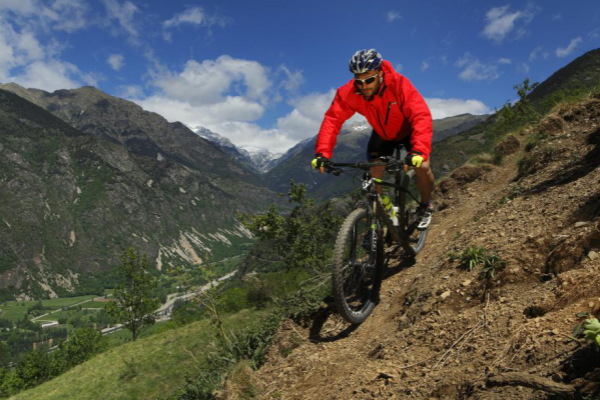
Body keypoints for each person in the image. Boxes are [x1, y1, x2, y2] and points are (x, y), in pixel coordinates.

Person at [311, 48, 435, 230]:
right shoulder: (349, 93)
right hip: (382, 134)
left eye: (369, 80)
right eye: (358, 81)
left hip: (408, 131)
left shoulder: (399, 84)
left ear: (380, 73)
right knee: (373, 173)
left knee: (422, 166)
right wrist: (322, 153)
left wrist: (419, 150)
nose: (364, 86)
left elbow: (420, 115)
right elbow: (332, 120)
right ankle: (386, 209)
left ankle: (425, 206)